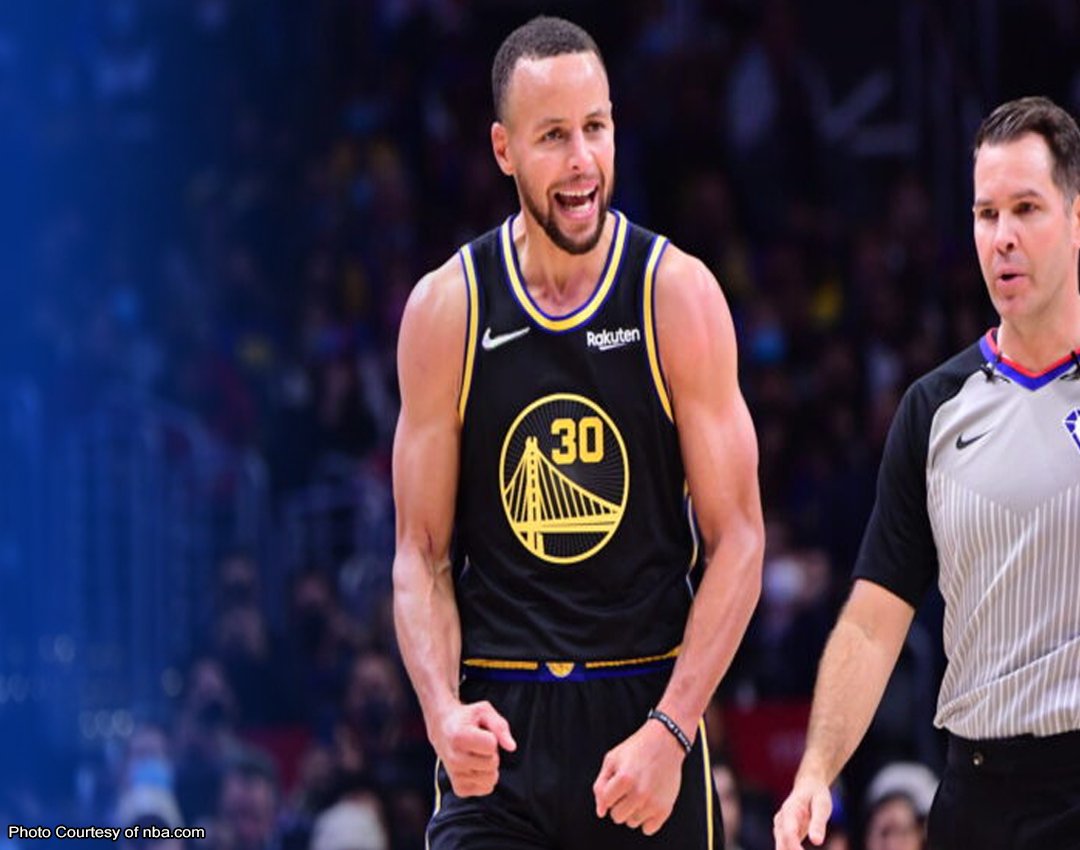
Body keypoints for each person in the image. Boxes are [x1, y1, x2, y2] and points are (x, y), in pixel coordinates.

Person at [392, 15, 764, 850]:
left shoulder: (677, 295)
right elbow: (419, 552)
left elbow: (739, 539)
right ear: (503, 149)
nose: (582, 161)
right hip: (500, 724)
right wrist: (441, 711)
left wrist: (672, 729)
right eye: (553, 135)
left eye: (596, 127)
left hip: (645, 716)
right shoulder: (447, 310)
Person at [773, 95, 1080, 850]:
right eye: (986, 214)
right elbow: (872, 622)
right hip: (977, 793)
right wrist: (815, 770)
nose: (1003, 238)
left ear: (1076, 219)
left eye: (1027, 209)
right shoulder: (933, 409)